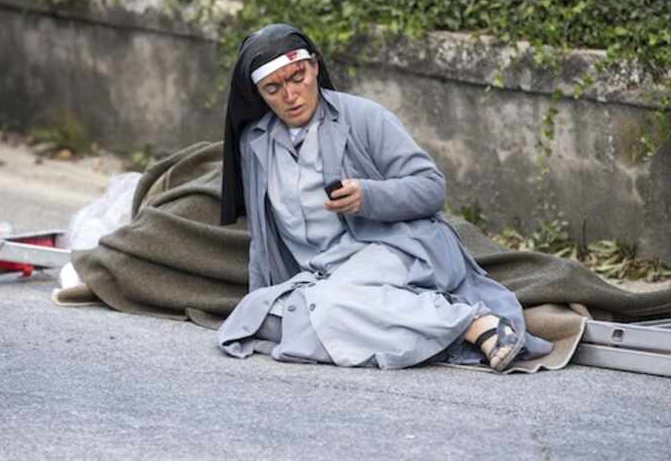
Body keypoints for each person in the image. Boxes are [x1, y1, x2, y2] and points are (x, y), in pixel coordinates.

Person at [217, 23, 552, 370]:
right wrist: (261, 295)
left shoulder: (363, 117)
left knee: (326, 309)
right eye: (273, 87)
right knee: (265, 318)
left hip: (393, 250)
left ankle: (474, 323)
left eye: (297, 78)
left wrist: (367, 196)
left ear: (314, 67)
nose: (290, 95)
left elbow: (432, 187)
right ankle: (436, 332)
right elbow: (261, 236)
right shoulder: (254, 143)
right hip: (322, 277)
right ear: (258, 93)